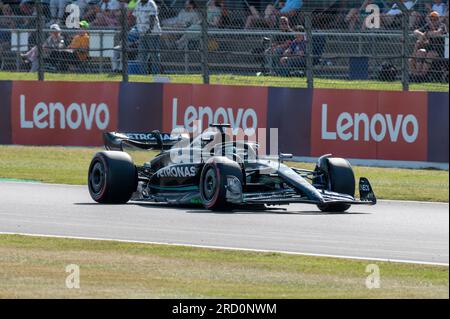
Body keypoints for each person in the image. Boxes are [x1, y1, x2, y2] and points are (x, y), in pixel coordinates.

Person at [409, 11, 448, 81]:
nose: (433, 21)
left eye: (435, 19)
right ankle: (417, 75)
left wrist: (426, 34)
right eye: (431, 19)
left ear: (438, 19)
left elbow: (438, 33)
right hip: (429, 49)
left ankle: (422, 75)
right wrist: (421, 34)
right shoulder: (428, 25)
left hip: (439, 50)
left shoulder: (442, 25)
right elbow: (415, 31)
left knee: (430, 54)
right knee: (420, 52)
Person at [132, 0, 161, 74]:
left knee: (154, 55)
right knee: (142, 55)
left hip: (152, 34)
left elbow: (152, 17)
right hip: (141, 33)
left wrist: (150, 29)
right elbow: (134, 16)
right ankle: (143, 74)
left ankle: (155, 74)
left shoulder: (151, 3)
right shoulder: (138, 3)